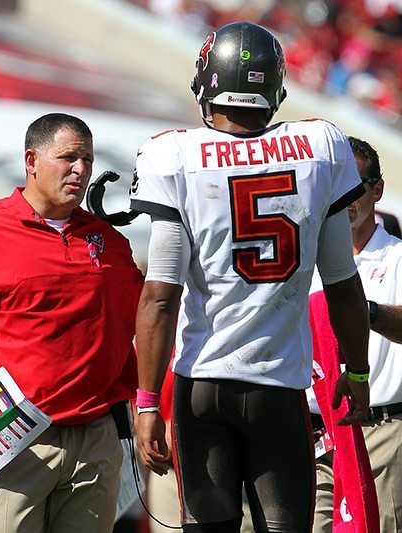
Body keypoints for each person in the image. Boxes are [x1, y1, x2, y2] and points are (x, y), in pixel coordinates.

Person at [131, 22, 371, 533]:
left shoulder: (176, 155)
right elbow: (343, 284)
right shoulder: (320, 146)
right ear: (274, 86)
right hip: (279, 389)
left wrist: (148, 400)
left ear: (207, 84)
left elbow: (160, 297)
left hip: (202, 389)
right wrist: (358, 373)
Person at [0, 113, 143, 533]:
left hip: (96, 433)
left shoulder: (109, 240)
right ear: (31, 160)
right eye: (69, 157)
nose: (81, 170)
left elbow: (148, 316)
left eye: (87, 159)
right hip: (12, 434)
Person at [308, 136, 402, 532]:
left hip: (384, 429)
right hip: (319, 438)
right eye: (334, 188)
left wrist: (361, 311)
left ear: (377, 190)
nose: (345, 199)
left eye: (356, 188)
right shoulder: (303, 260)